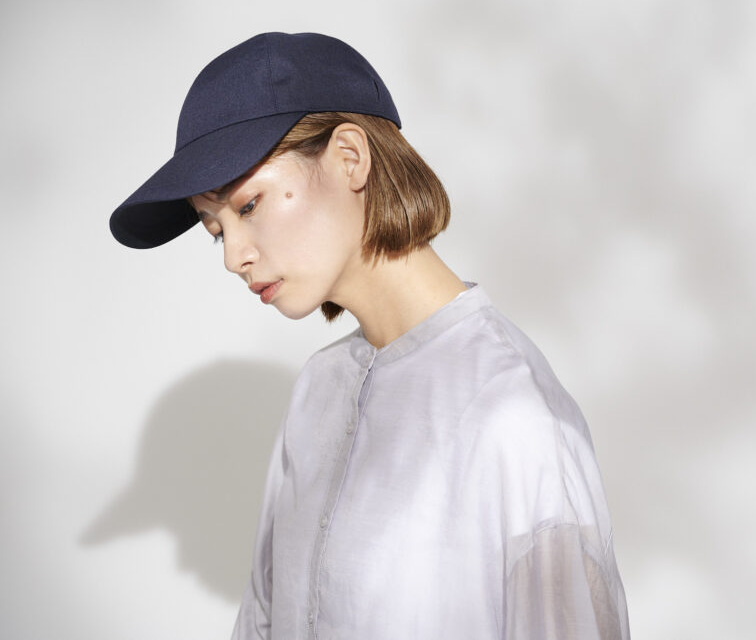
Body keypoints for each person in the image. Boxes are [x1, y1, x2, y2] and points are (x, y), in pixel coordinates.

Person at [110, 32, 630, 639]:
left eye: (248, 206)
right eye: (215, 229)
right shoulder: (318, 392)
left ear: (350, 158)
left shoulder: (514, 417)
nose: (233, 257)